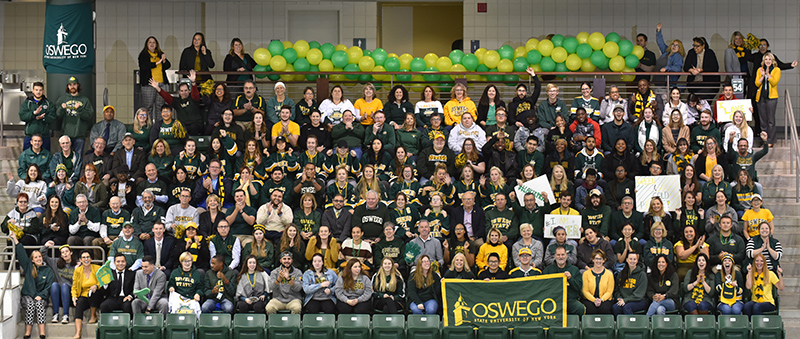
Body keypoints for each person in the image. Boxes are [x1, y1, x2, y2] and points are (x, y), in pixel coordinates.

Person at [11, 236, 54, 339]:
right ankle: (27, 333)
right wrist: (15, 239)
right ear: (33, 260)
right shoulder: (28, 266)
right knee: (30, 305)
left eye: (40, 256)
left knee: (39, 305)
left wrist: (41, 295)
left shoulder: (48, 270)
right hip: (28, 295)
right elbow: (21, 254)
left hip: (41, 296)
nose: (38, 258)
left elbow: (48, 286)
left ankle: (42, 334)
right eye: (36, 257)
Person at [153, 71, 203, 135]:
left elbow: (196, 94)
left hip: (196, 125)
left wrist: (193, 82)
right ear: (179, 92)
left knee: (193, 127)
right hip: (183, 126)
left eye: (185, 90)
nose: (184, 92)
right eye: (182, 91)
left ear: (189, 91)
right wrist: (157, 88)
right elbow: (167, 97)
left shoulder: (193, 98)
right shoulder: (177, 101)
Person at [56, 77, 93, 154]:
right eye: (70, 85)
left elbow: (89, 116)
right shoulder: (62, 99)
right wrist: (61, 109)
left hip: (79, 135)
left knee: (78, 158)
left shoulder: (84, 100)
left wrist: (80, 109)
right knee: (65, 157)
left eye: (74, 84)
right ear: (67, 86)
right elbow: (57, 116)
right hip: (66, 136)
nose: (72, 86)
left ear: (78, 85)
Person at [40, 241, 75, 324]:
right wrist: (45, 246)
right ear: (61, 255)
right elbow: (43, 256)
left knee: (65, 286)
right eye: (63, 252)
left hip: (70, 294)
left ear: (71, 253)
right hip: (58, 295)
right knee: (54, 284)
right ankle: (55, 314)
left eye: (66, 251)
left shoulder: (76, 265)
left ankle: (66, 315)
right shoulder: (56, 262)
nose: (65, 254)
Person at [543, 246, 584, 315]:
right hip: (553, 300)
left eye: (563, 254)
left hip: (570, 300)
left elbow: (578, 287)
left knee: (580, 308)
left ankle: (577, 325)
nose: (560, 257)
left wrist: (570, 278)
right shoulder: (547, 270)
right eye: (558, 255)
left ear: (566, 255)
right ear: (555, 256)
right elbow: (543, 287)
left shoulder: (574, 269)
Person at [71, 250, 100, 337]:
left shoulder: (97, 268)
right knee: (79, 303)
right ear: (80, 259)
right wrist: (74, 296)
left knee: (94, 293)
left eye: (87, 257)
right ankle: (78, 332)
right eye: (83, 257)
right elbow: (74, 285)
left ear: (91, 259)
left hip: (96, 294)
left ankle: (93, 316)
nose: (86, 259)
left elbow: (103, 282)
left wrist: (96, 285)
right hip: (84, 295)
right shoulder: (78, 271)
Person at [20, 82, 56, 151]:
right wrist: (34, 113)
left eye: (40, 90)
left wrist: (43, 118)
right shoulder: (27, 103)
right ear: (33, 90)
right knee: (27, 157)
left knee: (45, 158)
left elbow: (52, 117)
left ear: (43, 91)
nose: (38, 92)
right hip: (30, 135)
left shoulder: (48, 103)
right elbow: (22, 116)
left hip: (44, 136)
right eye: (36, 90)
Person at [755, 53, 781, 146]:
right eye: (766, 59)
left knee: (770, 120)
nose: (768, 61)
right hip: (761, 97)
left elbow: (774, 82)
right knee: (763, 121)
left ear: (772, 60)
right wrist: (762, 76)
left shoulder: (777, 70)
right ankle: (765, 141)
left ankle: (771, 140)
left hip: (772, 98)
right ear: (763, 61)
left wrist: (768, 74)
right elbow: (757, 84)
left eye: (769, 59)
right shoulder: (760, 69)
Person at [167, 252, 204, 317]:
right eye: (185, 261)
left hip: (192, 300)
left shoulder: (197, 274)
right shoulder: (175, 273)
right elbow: (170, 285)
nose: (187, 263)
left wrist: (198, 293)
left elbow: (201, 288)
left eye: (189, 261)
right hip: (178, 300)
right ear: (181, 262)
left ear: (192, 261)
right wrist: (171, 287)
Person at [581, 249, 614, 314]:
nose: (598, 261)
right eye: (596, 259)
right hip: (590, 299)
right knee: (590, 308)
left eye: (600, 259)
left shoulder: (609, 274)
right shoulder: (586, 274)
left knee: (604, 308)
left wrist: (601, 300)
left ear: (604, 260)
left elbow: (609, 291)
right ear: (592, 259)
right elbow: (585, 291)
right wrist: (594, 300)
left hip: (605, 299)